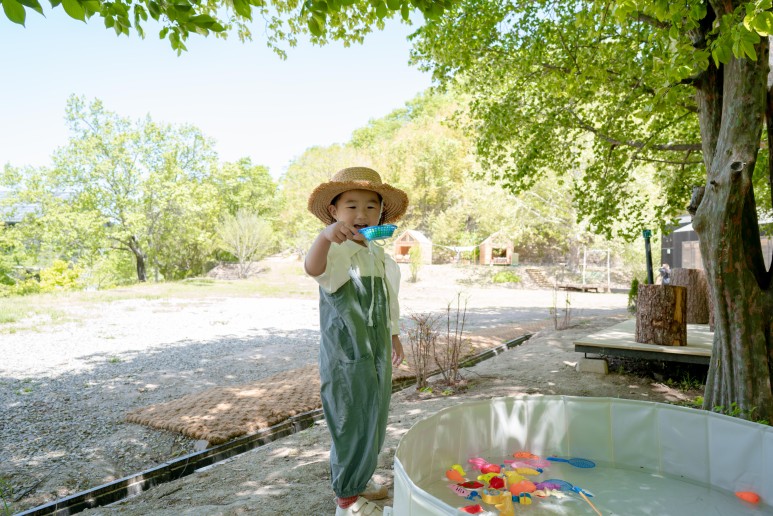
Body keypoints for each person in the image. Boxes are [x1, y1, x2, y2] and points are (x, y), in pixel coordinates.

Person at [304, 166, 407, 516]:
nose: (361, 214)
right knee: (350, 415)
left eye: (370, 206)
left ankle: (360, 478)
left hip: (376, 348)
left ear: (381, 213)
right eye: (351, 206)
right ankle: (347, 497)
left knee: (375, 412)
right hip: (347, 350)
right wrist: (325, 237)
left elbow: (388, 300)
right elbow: (313, 268)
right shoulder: (336, 250)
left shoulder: (378, 255)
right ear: (334, 211)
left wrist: (394, 335)